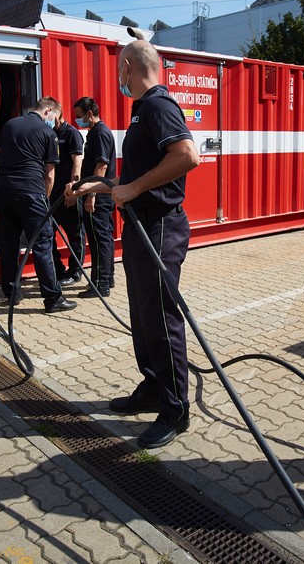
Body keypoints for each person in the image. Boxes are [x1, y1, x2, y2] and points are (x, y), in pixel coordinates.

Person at [68, 39, 200, 448]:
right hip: (142, 227)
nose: (117, 78)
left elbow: (187, 156)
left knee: (161, 319)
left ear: (127, 67)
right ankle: (153, 387)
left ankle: (175, 410)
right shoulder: (142, 110)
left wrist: (135, 187)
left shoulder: (159, 106)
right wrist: (100, 185)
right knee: (142, 317)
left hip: (160, 228)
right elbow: (132, 182)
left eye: (117, 70)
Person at [0, 97, 77, 314]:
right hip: (31, 192)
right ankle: (53, 298)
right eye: (55, 117)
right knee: (43, 243)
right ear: (48, 110)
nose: (55, 121)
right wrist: (46, 200)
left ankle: (12, 292)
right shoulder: (48, 133)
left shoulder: (10, 125)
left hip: (4, 191)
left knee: (9, 243)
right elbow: (49, 174)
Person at [73, 96, 117, 297]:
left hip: (98, 197)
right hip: (100, 195)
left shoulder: (100, 133)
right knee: (104, 237)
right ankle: (108, 278)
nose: (77, 121)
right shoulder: (95, 133)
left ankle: (100, 284)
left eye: (79, 116)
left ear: (90, 114)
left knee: (99, 240)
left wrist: (91, 195)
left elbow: (101, 166)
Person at [50, 107, 85, 286]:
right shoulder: (49, 133)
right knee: (48, 234)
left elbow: (77, 163)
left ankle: (75, 271)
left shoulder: (71, 134)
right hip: (51, 194)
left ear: (58, 113)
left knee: (75, 234)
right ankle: (58, 270)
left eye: (50, 115)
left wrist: (73, 190)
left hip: (67, 193)